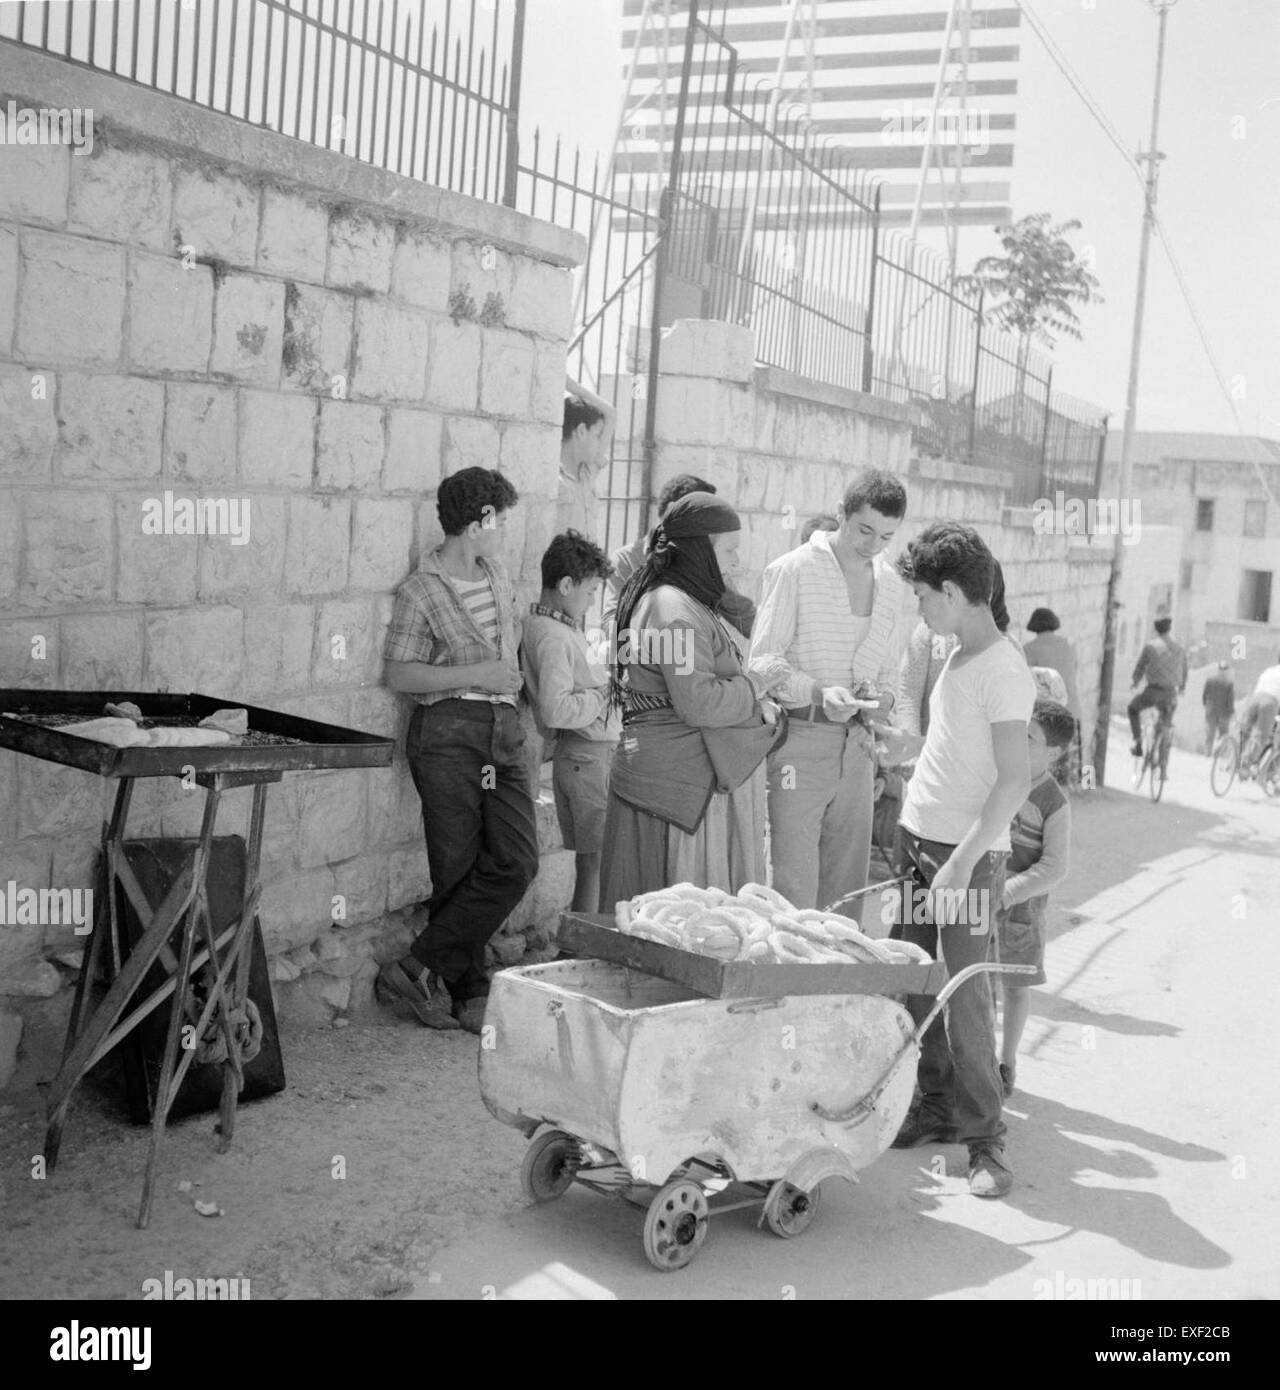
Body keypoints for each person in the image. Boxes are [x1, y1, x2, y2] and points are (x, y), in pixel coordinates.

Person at [885, 522, 1036, 1201]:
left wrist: (959, 863)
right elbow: (956, 753)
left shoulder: (1005, 669)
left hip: (963, 861)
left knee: (966, 999)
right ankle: (934, 1107)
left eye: (923, 596)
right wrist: (905, 756)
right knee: (915, 983)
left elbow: (1012, 781)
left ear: (951, 592)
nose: (920, 609)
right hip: (919, 844)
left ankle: (986, 1145)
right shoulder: (957, 654)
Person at [379, 467, 540, 1034]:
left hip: (501, 729)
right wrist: (484, 673)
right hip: (446, 732)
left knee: (518, 860)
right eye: (503, 521)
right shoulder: (421, 589)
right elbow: (399, 673)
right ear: (479, 523)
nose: (506, 533)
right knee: (456, 869)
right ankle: (465, 992)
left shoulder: (495, 573)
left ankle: (417, 964)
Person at [598, 492, 787, 906]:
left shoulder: (682, 603)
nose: (737, 562)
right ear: (700, 550)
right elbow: (697, 702)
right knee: (669, 918)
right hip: (671, 791)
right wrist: (755, 685)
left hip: (676, 784)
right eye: (729, 550)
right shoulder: (673, 611)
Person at [748, 468, 912, 916]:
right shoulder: (793, 570)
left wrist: (883, 702)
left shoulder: (893, 584)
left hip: (858, 750)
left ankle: (832, 986)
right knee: (792, 889)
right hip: (799, 743)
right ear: (841, 513)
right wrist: (819, 692)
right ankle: (785, 984)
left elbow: (889, 676)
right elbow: (761, 663)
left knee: (845, 898)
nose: (873, 545)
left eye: (886, 537)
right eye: (864, 530)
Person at [520, 531, 619, 917]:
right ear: (565, 585)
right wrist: (604, 694)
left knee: (594, 861)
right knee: (593, 864)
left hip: (589, 758)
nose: (592, 600)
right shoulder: (555, 638)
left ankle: (582, 941)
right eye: (590, 590)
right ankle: (579, 945)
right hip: (586, 759)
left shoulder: (549, 627)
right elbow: (556, 711)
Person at [996, 698, 1075, 1098]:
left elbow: (1054, 867)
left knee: (1014, 985)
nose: (1019, 740)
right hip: (978, 897)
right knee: (970, 981)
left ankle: (1006, 1060)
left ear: (1054, 752)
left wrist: (1010, 891)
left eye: (1030, 737)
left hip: (1020, 910)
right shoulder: (995, 773)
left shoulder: (1053, 803)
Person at [605, 473, 756, 640]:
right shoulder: (626, 560)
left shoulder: (708, 565)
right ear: (672, 510)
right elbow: (613, 620)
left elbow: (745, 616)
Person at [1023, 606, 1082, 786]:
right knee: (1078, 749)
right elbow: (1075, 671)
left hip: (1047, 713)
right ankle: (1087, 785)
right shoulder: (1070, 644)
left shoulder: (1029, 648)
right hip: (1072, 706)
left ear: (1034, 626)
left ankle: (1050, 789)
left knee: (1048, 754)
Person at [558, 377, 616, 538]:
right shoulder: (554, 478)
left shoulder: (588, 472)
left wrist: (570, 385)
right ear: (582, 431)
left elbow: (610, 413)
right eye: (597, 435)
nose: (600, 442)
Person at [1127, 616, 1187, 758]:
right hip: (1171, 694)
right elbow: (1184, 670)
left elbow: (1140, 667)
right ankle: (1163, 766)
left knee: (1132, 708)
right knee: (1166, 725)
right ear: (1169, 629)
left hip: (1153, 692)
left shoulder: (1151, 646)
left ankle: (1138, 743)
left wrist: (1135, 681)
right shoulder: (1179, 648)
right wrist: (1182, 688)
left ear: (1156, 630)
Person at [1238, 654, 1280, 764]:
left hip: (1255, 697)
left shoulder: (1269, 670)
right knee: (1261, 735)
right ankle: (1246, 764)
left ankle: (1234, 759)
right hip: (1270, 702)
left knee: (1245, 729)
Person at [1201, 660, 1235, 754]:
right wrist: (1231, 712)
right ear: (1226, 670)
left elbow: (1204, 695)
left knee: (1210, 732)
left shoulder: (1210, 680)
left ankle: (1207, 752)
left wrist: (1206, 706)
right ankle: (1219, 754)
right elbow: (1230, 700)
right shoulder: (1229, 683)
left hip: (1211, 711)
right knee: (1223, 734)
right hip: (1224, 713)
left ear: (1218, 669)